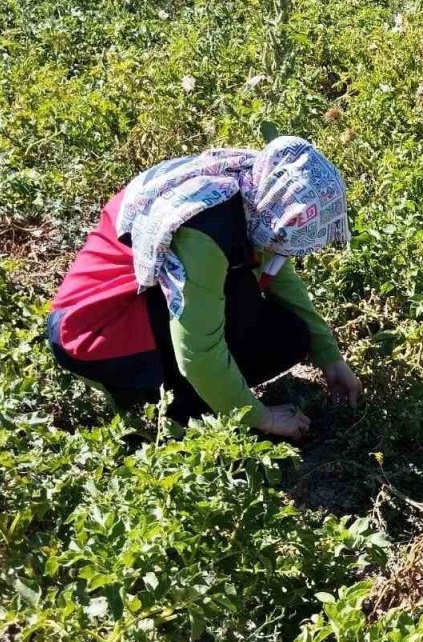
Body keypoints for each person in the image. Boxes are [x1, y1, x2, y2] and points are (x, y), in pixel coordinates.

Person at [45, 136, 361, 439]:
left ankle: (203, 396)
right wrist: (261, 417)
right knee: (247, 314)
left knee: (290, 335)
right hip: (94, 334)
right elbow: (197, 353)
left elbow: (278, 271)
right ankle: (175, 414)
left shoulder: (255, 191)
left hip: (133, 310)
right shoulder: (205, 230)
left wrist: (329, 357)